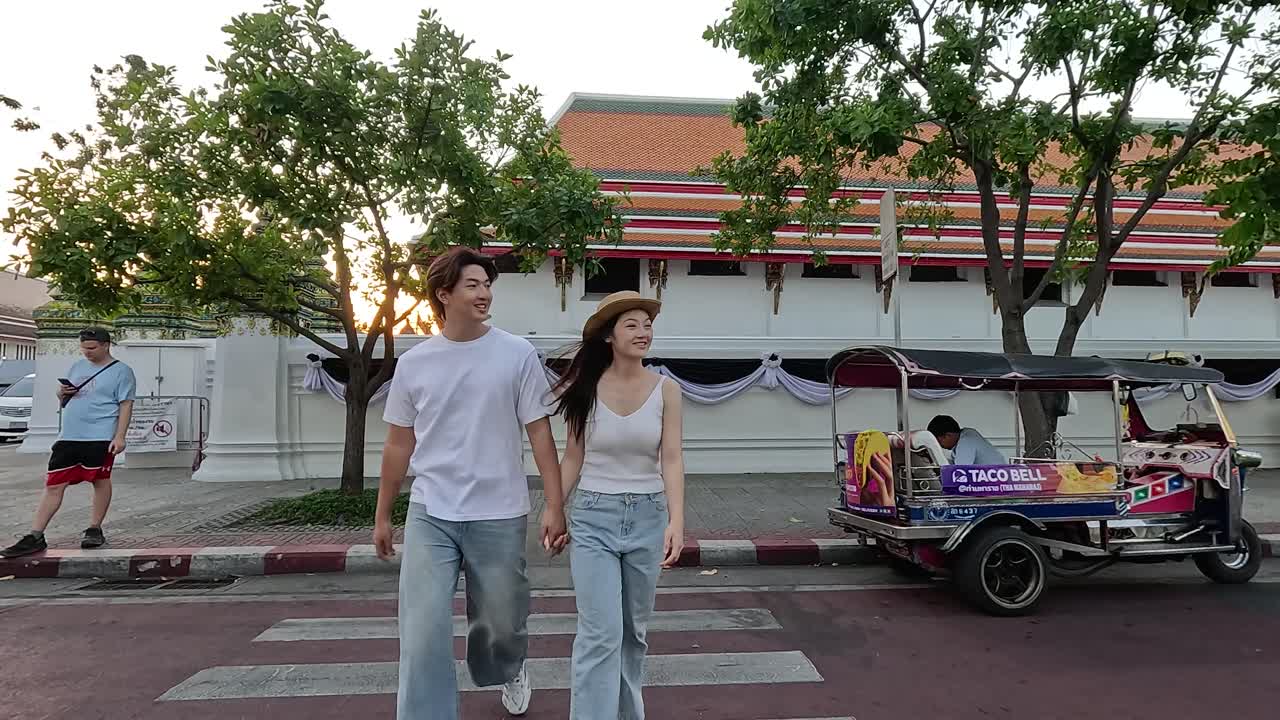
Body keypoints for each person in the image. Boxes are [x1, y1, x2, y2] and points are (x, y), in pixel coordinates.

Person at [374, 247, 566, 720]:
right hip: (431, 511)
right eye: (473, 285)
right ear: (444, 294)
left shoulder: (515, 353)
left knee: (500, 623)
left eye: (487, 285)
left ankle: (510, 667)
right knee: (421, 629)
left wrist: (555, 504)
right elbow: (399, 445)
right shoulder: (415, 364)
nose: (485, 294)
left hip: (498, 510)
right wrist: (382, 514)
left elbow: (540, 433)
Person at [552, 290, 686, 720]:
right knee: (600, 633)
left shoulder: (668, 390)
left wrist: (677, 521)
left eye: (647, 325)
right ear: (609, 335)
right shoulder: (584, 388)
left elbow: (672, 459)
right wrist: (554, 507)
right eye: (632, 324)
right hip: (594, 516)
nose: (643, 332)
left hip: (648, 516)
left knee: (633, 634)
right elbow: (572, 456)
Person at [2, 327, 136, 559]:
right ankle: (35, 535)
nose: (87, 353)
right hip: (69, 434)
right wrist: (62, 391)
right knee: (54, 483)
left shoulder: (122, 372)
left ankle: (95, 528)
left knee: (100, 480)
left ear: (106, 345)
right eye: (84, 348)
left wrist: (120, 436)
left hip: (100, 434)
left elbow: (126, 404)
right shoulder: (77, 366)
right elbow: (63, 394)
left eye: (92, 348)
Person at [927, 414, 1008, 465]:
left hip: (995, 485)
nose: (940, 446)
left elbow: (960, 471)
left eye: (939, 442)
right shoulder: (966, 434)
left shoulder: (966, 441)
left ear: (947, 436)